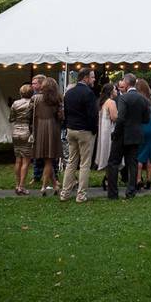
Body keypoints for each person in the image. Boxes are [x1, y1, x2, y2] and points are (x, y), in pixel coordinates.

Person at [106, 73, 150, 200]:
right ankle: (131, 191)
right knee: (132, 163)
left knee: (113, 162)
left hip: (122, 134)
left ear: (126, 83)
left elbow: (121, 119)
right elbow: (146, 119)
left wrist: (115, 133)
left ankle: (113, 193)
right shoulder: (143, 99)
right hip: (136, 134)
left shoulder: (123, 98)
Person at [60, 68, 98, 203]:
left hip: (71, 129)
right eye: (92, 77)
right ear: (85, 78)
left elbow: (66, 112)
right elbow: (92, 115)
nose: (94, 80)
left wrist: (67, 126)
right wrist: (94, 130)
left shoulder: (69, 93)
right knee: (84, 164)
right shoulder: (88, 93)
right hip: (84, 131)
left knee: (71, 162)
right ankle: (81, 195)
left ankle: (64, 193)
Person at [31, 77, 63, 195]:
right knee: (49, 159)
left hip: (39, 128)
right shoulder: (57, 99)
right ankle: (51, 186)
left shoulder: (35, 99)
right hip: (53, 128)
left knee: (47, 160)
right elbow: (60, 116)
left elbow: (29, 113)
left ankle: (46, 187)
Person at [9, 83, 34, 195]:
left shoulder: (15, 103)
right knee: (26, 160)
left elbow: (11, 119)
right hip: (26, 131)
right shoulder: (32, 104)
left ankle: (16, 184)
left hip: (16, 131)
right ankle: (22, 186)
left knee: (18, 159)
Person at [134, 79, 151, 190]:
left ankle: (138, 179)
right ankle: (148, 180)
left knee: (140, 154)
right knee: (150, 154)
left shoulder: (139, 99)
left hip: (143, 127)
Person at [95, 83, 118, 172]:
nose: (117, 91)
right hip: (109, 130)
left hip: (103, 130)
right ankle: (110, 178)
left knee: (105, 150)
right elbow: (114, 117)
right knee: (110, 152)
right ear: (111, 91)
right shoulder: (111, 102)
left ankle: (108, 177)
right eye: (115, 89)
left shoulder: (102, 102)